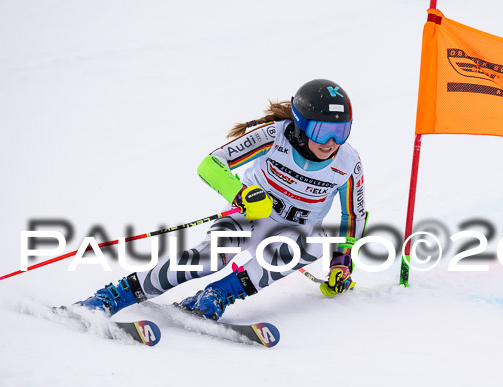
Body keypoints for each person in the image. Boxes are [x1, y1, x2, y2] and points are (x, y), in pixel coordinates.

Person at [76, 79, 367, 321]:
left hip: (293, 233)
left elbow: (353, 216)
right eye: (323, 130)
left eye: (341, 131)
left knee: (317, 242)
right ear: (302, 125)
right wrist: (242, 194)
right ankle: (118, 294)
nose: (332, 142)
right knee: (208, 260)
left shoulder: (347, 162)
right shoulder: (273, 136)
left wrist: (341, 262)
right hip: (250, 216)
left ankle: (217, 295)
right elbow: (210, 165)